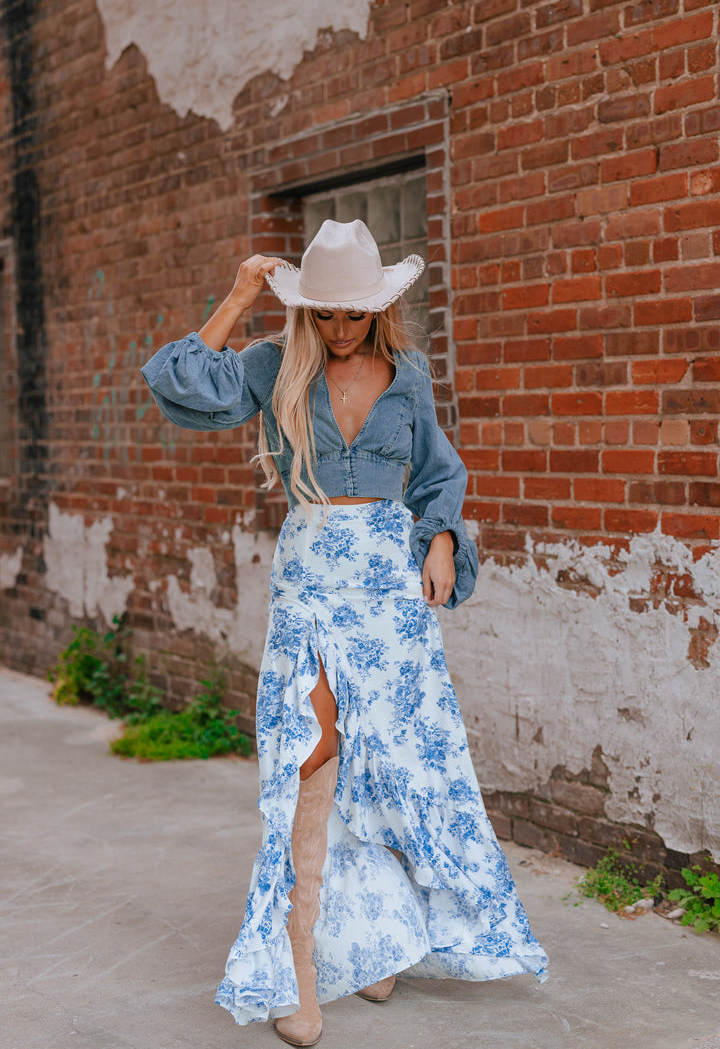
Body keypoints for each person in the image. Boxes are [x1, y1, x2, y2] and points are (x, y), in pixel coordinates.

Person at [141, 219, 548, 1047]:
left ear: (378, 309)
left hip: (389, 586)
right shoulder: (275, 365)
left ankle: (376, 936)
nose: (337, 328)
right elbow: (180, 384)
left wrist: (441, 536)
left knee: (392, 758)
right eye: (322, 313)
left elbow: (439, 471)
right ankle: (297, 961)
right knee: (312, 752)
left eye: (352, 314)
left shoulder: (409, 374)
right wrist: (242, 294)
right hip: (312, 582)